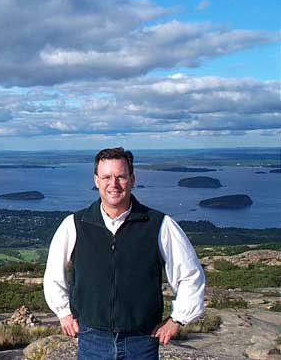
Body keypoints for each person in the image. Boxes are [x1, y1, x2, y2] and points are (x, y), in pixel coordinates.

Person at [43, 147, 205, 360]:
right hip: (92, 338)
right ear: (96, 180)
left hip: (142, 340)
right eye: (106, 177)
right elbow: (53, 274)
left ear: (132, 179)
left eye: (121, 176)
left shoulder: (159, 225)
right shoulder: (75, 224)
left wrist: (177, 320)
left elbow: (190, 275)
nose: (114, 184)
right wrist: (63, 313)